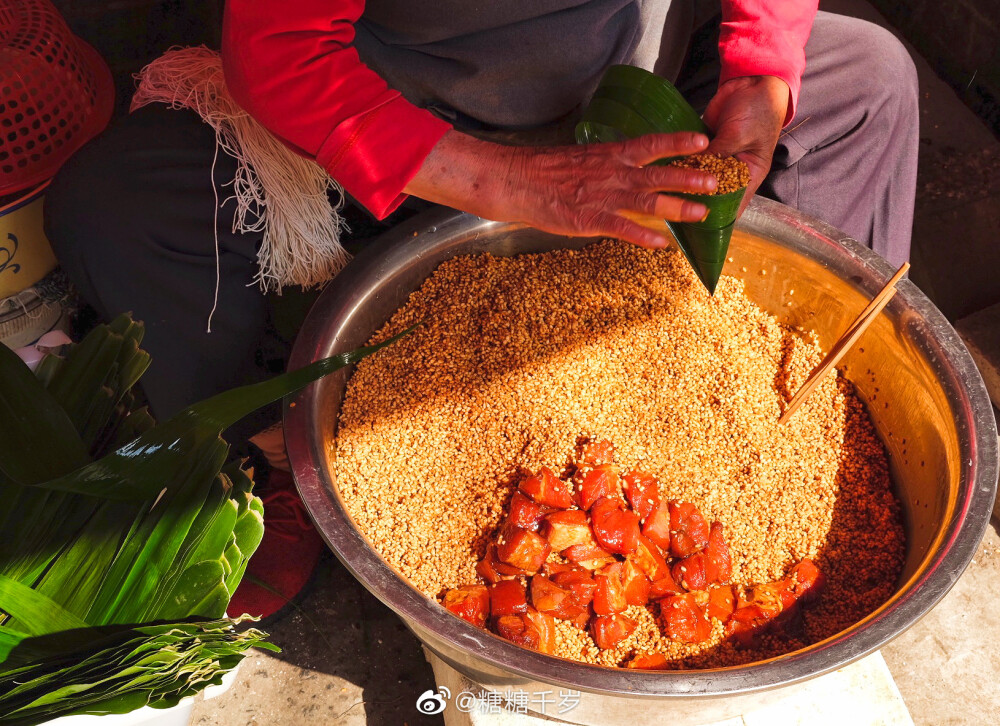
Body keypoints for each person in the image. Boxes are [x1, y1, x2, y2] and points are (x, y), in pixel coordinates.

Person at [44, 0, 919, 616]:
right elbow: (280, 49)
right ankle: (260, 462)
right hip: (400, 126)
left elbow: (769, 44)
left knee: (870, 80)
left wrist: (760, 71)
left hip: (628, 105)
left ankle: (763, 372)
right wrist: (505, 181)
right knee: (116, 209)